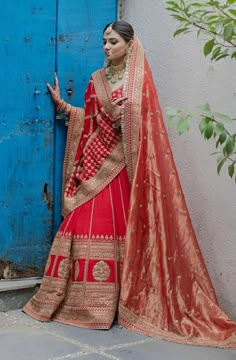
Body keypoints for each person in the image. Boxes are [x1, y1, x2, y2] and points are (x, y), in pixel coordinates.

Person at [23, 21, 236, 348]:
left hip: (122, 167)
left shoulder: (139, 83)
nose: (107, 48)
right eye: (104, 42)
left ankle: (113, 304)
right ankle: (75, 302)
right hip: (94, 165)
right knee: (79, 224)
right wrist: (66, 108)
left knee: (111, 226)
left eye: (113, 42)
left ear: (129, 44)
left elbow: (147, 129)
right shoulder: (96, 80)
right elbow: (91, 120)